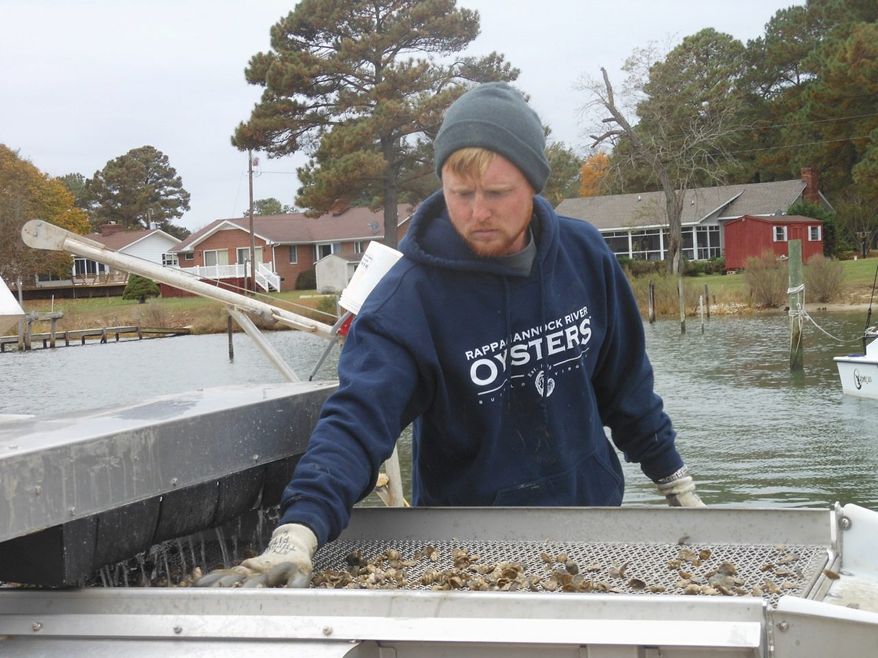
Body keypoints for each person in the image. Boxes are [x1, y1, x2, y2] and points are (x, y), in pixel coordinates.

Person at [197, 82, 705, 589]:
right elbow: (357, 421)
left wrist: (675, 484)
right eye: (461, 194)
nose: (477, 212)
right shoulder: (407, 300)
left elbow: (627, 387)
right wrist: (298, 530)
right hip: (468, 548)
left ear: (533, 184)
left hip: (594, 527)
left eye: (498, 194)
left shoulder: (585, 256)